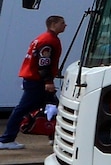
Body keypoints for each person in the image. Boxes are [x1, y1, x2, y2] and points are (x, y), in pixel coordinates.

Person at [1, 15, 64, 150]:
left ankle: (54, 137)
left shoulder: (42, 38)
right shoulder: (49, 40)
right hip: (38, 81)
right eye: (62, 23)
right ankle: (6, 139)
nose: (65, 25)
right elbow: (43, 63)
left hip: (34, 79)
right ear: (53, 24)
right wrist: (48, 81)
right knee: (24, 109)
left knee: (54, 108)